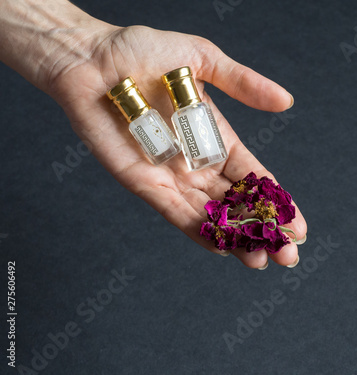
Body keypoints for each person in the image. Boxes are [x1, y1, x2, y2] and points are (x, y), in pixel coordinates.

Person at [0, 0, 307, 269]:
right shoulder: (151, 117)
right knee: (159, 130)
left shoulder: (184, 110)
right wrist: (85, 52)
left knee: (181, 128)